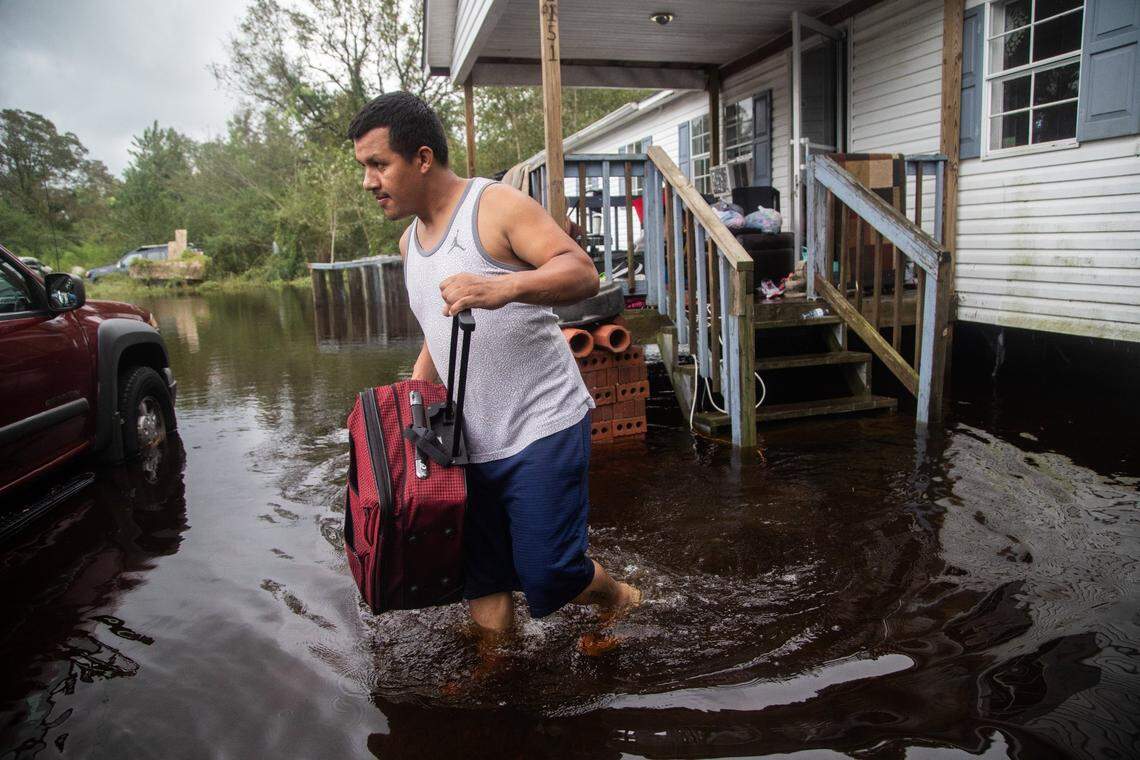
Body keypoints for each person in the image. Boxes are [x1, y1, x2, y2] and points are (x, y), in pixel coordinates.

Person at [347, 92, 640, 646]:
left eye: (378, 164)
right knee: (480, 574)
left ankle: (620, 595)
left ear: (423, 158)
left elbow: (581, 274)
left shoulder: (495, 206)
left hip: (541, 423)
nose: (368, 181)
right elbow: (437, 334)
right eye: (364, 167)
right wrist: (410, 412)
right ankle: (495, 674)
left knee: (549, 574)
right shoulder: (409, 243)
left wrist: (500, 288)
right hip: (466, 439)